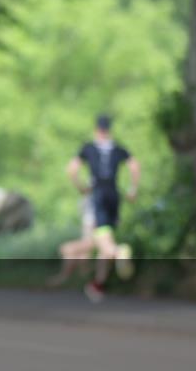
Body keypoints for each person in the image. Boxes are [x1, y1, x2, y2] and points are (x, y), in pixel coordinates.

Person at [60, 115, 141, 302]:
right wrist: (133, 189)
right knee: (105, 239)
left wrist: (81, 187)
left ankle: (118, 252)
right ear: (109, 129)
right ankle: (98, 284)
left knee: (103, 240)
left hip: (98, 194)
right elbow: (135, 166)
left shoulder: (88, 148)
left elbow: (72, 169)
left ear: (97, 129)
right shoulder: (118, 148)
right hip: (114, 194)